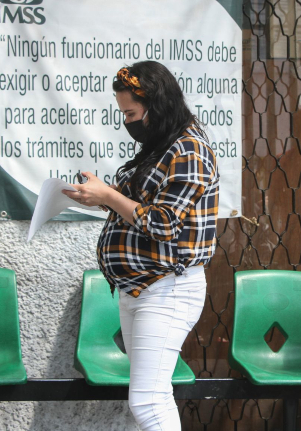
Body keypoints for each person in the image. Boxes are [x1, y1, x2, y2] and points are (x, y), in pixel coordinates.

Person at [63, 61, 219, 430]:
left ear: (158, 106)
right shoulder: (163, 146)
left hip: (168, 288)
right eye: (123, 114)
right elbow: (140, 206)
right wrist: (99, 196)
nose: (127, 122)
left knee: (148, 402)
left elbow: (163, 223)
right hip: (139, 288)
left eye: (131, 114)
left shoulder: (189, 150)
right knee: (152, 397)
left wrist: (108, 196)